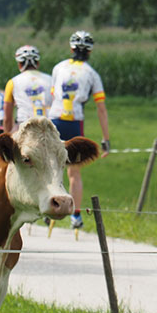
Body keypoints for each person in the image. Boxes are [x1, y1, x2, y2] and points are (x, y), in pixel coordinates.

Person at [47, 30, 111, 229]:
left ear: (71, 48)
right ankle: (75, 215)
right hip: (75, 122)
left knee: (51, 168)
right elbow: (101, 108)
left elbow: (50, 99)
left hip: (55, 119)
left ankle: (48, 209)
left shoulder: (58, 68)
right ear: (89, 52)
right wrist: (106, 138)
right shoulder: (92, 74)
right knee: (74, 173)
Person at [2, 45, 53, 133]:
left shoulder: (13, 82)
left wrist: (7, 136)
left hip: (25, 126)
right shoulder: (50, 79)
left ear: (19, 64)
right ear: (37, 63)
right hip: (48, 126)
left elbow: (7, 117)